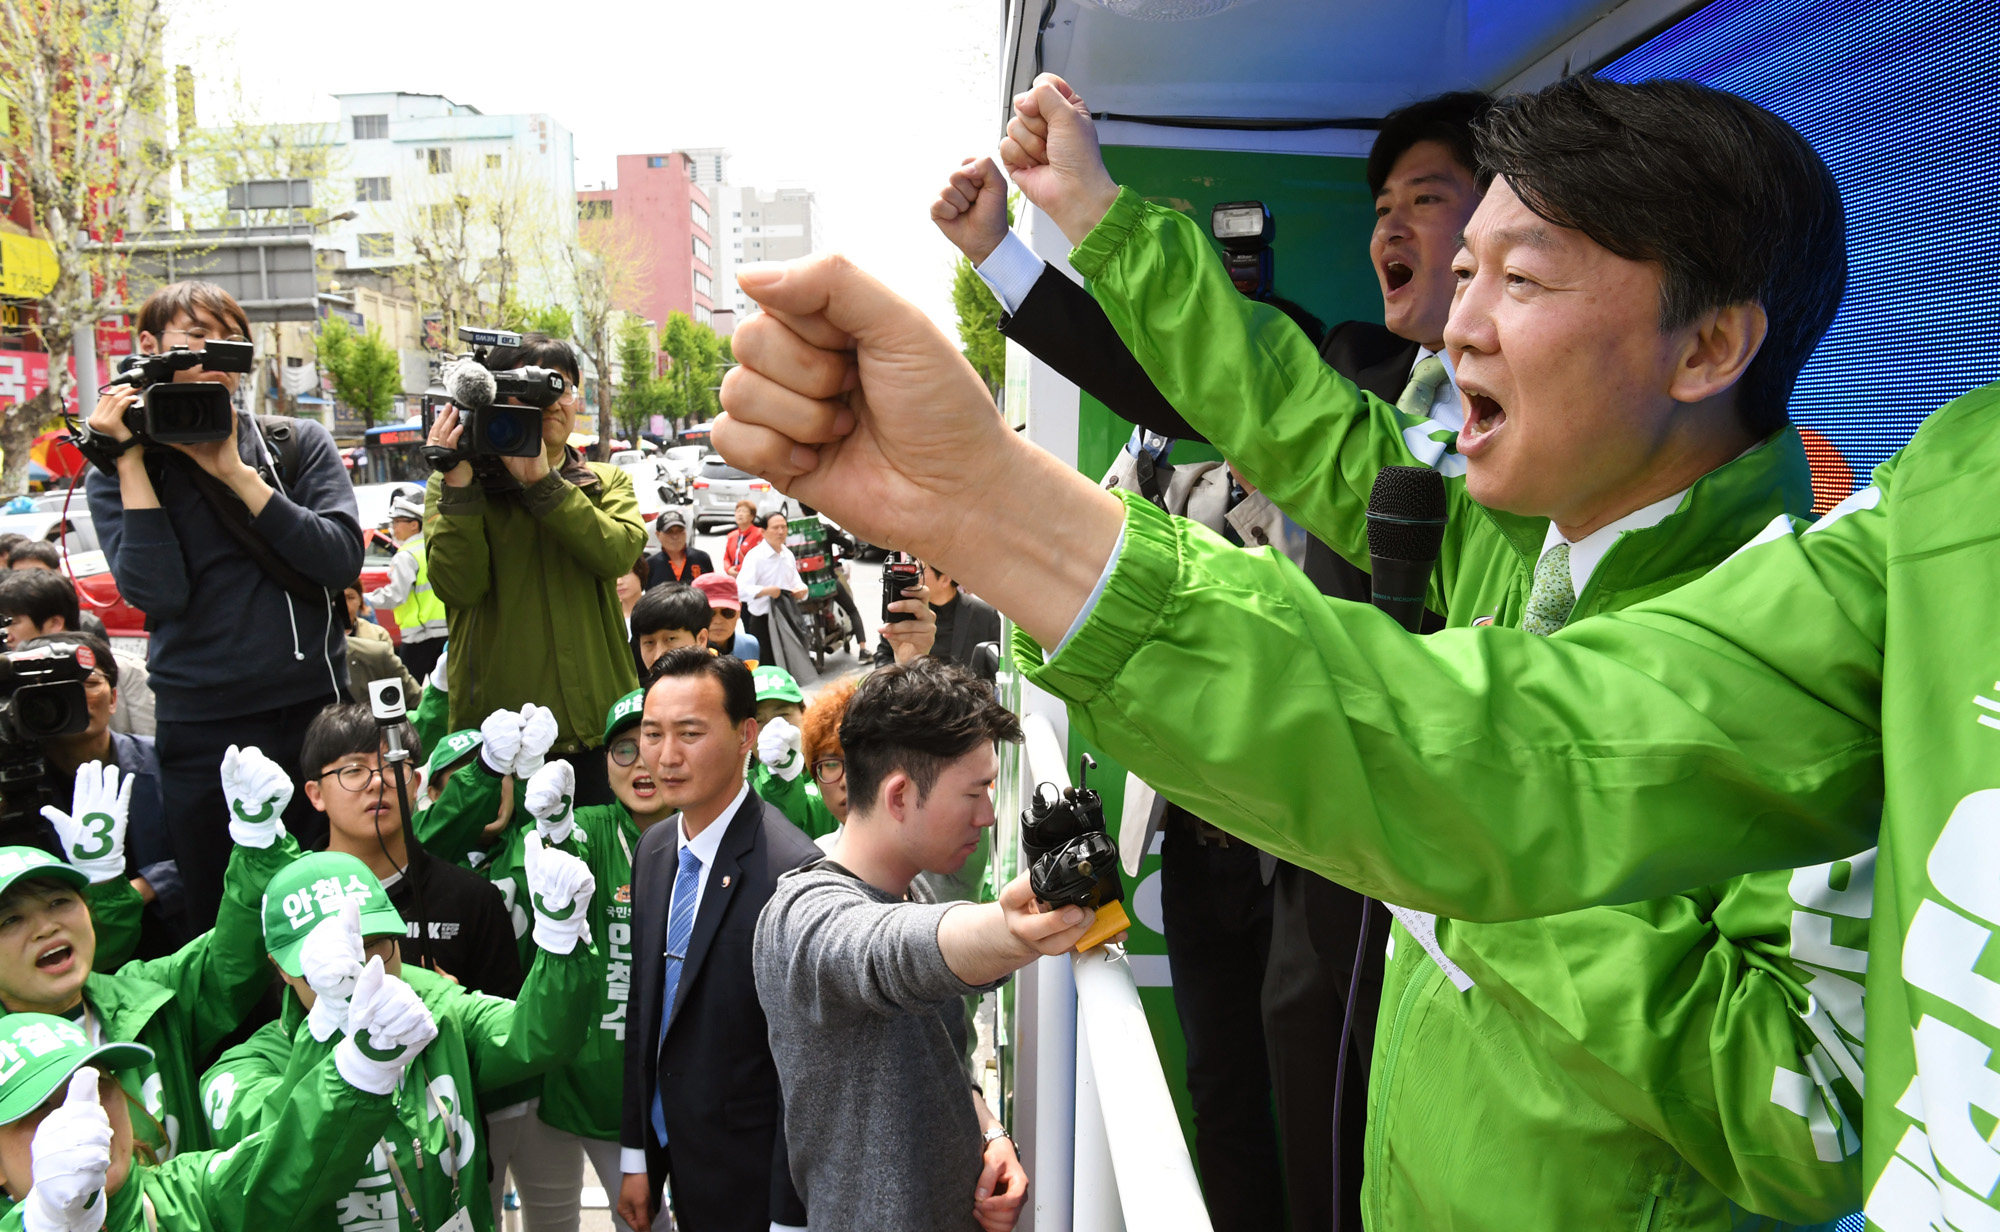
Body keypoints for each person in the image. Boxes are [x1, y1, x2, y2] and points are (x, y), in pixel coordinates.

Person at [713, 74, 1868, 1231]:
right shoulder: (1506, 542)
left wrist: (1459, 859)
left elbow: (1807, 1117)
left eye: (1518, 278)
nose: (1460, 323)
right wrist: (1092, 230)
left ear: (1708, 344)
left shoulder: (1824, 667)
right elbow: (1280, 407)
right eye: (1466, 269)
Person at [936, 91, 1490, 1230]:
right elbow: (1180, 377)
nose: (1393, 230)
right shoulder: (1350, 374)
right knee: (1258, 1086)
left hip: (1417, 854)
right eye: (1381, 206)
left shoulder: (1517, 461)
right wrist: (1003, 256)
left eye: (1424, 202)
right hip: (1268, 828)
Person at [755, 659, 1091, 1232]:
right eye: (975, 792)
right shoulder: (799, 919)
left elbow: (940, 1056)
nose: (987, 815)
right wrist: (1010, 932)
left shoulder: (914, 886)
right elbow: (890, 952)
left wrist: (988, 1130)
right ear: (900, 795)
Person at [86, 280, 362, 930]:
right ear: (149, 349)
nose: (212, 360)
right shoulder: (124, 468)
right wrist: (129, 463)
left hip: (309, 716)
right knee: (222, 922)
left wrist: (237, 473)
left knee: (330, 914)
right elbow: (158, 595)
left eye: (227, 345)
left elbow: (338, 559)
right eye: (193, 343)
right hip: (200, 730)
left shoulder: (294, 446)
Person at [199, 844, 596, 1232]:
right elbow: (272, 1174)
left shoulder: (435, 1006)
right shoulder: (239, 1070)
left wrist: (559, 940)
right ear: (282, 969)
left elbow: (537, 1037)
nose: (363, 971)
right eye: (325, 965)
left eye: (375, 946)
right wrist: (336, 1033)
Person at [0, 738, 300, 1170]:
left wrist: (258, 843)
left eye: (58, 903)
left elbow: (231, 958)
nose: (46, 927)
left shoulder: (149, 996)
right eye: (11, 920)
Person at [616, 650, 815, 1232]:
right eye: (652, 734)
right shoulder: (654, 850)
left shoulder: (790, 873)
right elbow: (645, 1008)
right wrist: (638, 1155)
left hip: (749, 1181)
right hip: (672, 1162)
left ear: (745, 734)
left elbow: (801, 1070)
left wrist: (787, 1218)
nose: (665, 756)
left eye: (690, 733)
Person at [423, 332, 646, 809]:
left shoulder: (605, 481)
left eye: (557, 387)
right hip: (501, 749)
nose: (547, 404)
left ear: (575, 396)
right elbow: (457, 589)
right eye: (525, 393)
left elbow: (617, 555)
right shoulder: (454, 486)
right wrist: (459, 484)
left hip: (602, 734)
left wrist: (544, 483)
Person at [0, 1002, 429, 1232]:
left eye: (96, 1086)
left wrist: (362, 1070)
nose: (83, 1118)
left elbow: (281, 1163)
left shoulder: (190, 1190)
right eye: (40, 1110)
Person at [517, 692, 674, 1232]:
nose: (642, 763)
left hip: (680, 1086)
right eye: (623, 750)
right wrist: (552, 830)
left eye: (653, 742)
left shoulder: (703, 825)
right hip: (584, 1087)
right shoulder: (588, 827)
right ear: (603, 766)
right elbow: (559, 856)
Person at [301, 702, 521, 999]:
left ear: (415, 784)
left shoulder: (474, 899)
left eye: (392, 765)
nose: (377, 782)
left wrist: (454, 1011)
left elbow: (505, 1028)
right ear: (316, 794)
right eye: (353, 770)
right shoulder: (295, 897)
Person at [25, 633, 182, 955]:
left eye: (87, 683)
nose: (73, 698)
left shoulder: (169, 763)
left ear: (113, 698)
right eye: (55, 688)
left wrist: (145, 887)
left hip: (175, 941)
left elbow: (213, 846)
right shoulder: (18, 788)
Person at [0, 572, 152, 737]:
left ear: (55, 623)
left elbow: (150, 745)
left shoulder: (127, 669)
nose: (7, 634)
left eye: (13, 623)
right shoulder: (11, 674)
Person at [362, 494, 448, 683]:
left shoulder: (406, 555)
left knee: (408, 690)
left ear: (413, 524)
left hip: (420, 634)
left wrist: (366, 600)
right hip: (443, 630)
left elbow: (396, 595)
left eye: (397, 522)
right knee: (441, 688)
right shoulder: (430, 546)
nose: (393, 528)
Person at [340, 583, 423, 713]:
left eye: (350, 597)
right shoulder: (323, 641)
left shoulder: (377, 637)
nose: (344, 605)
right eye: (338, 599)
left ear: (360, 600)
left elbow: (401, 683)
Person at [734, 511, 804, 656]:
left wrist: (802, 590)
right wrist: (766, 591)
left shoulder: (787, 555)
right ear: (763, 531)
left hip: (786, 617)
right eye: (775, 528)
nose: (780, 532)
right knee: (767, 665)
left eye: (784, 527)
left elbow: (796, 581)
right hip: (763, 621)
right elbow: (740, 590)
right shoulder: (755, 556)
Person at [918, 564, 1001, 675]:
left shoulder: (984, 614)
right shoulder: (907, 611)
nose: (914, 577)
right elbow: (888, 660)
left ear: (945, 579)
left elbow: (996, 665)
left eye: (921, 571)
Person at [629, 584, 710, 671]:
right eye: (649, 642)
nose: (658, 655)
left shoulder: (724, 682)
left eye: (671, 639)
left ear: (701, 639)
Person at [693, 572, 759, 664]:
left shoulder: (750, 646)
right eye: (709, 613)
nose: (718, 621)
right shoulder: (683, 652)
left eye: (728, 612)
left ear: (739, 610)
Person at [643, 510, 713, 589]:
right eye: (669, 532)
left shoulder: (702, 558)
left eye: (679, 531)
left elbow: (712, 590)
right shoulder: (651, 564)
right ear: (658, 535)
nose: (675, 537)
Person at [719, 500, 761, 577]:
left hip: (750, 575)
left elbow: (757, 559)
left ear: (752, 516)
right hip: (733, 576)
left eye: (744, 511)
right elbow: (726, 557)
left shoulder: (759, 534)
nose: (740, 514)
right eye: (738, 511)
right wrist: (728, 569)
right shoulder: (732, 535)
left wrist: (738, 569)